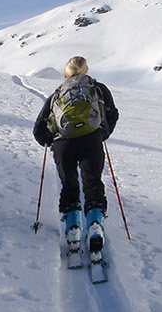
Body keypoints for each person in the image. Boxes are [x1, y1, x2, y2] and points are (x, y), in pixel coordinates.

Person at [32, 56, 119, 248]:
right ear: (85, 70)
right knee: (92, 182)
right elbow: (112, 113)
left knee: (69, 184)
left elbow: (38, 128)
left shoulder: (57, 94)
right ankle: (95, 225)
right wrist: (102, 133)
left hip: (64, 144)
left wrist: (50, 139)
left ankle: (73, 227)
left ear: (66, 73)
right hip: (91, 140)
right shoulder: (97, 88)